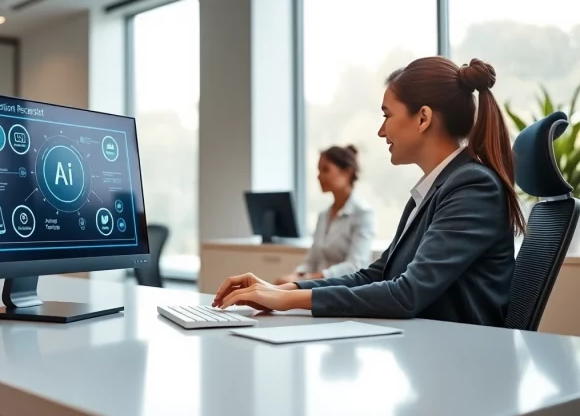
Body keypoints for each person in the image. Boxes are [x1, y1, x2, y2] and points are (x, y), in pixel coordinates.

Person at [213, 57, 524, 327]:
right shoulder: (433, 190)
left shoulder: (472, 187)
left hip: (463, 362)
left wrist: (290, 300)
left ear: (423, 118)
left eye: (387, 115)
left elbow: (406, 294)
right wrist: (284, 290)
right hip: (429, 347)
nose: (381, 130)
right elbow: (376, 275)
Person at [274, 145, 375, 285]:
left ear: (347, 172)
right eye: (318, 170)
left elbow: (355, 266)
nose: (319, 176)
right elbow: (311, 262)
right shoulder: (323, 215)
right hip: (320, 288)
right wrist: (295, 276)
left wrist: (305, 280)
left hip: (346, 290)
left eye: (325, 170)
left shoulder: (363, 214)